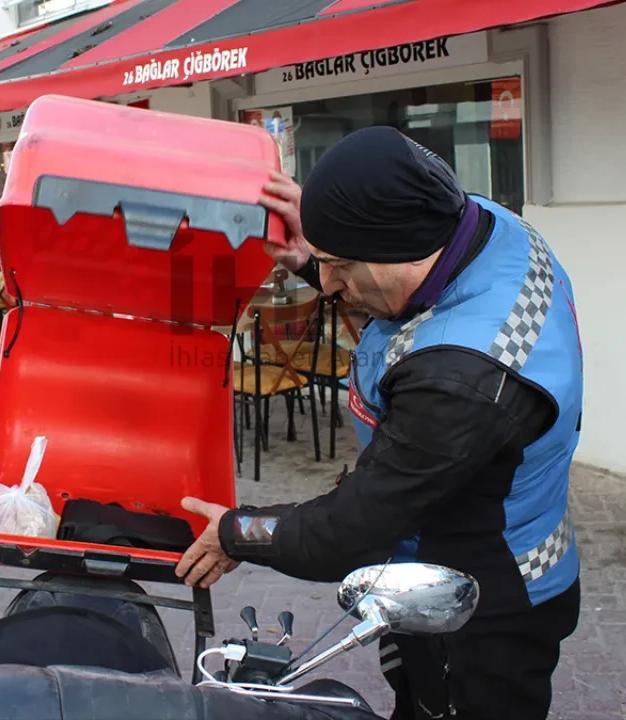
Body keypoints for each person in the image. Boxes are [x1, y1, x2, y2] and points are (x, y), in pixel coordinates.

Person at [175, 126, 583, 720]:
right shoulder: (481, 227)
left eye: (341, 266)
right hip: (454, 549)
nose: (331, 285)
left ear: (402, 249)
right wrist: (315, 250)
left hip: (480, 607)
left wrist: (238, 532)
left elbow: (351, 530)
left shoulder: (462, 382)